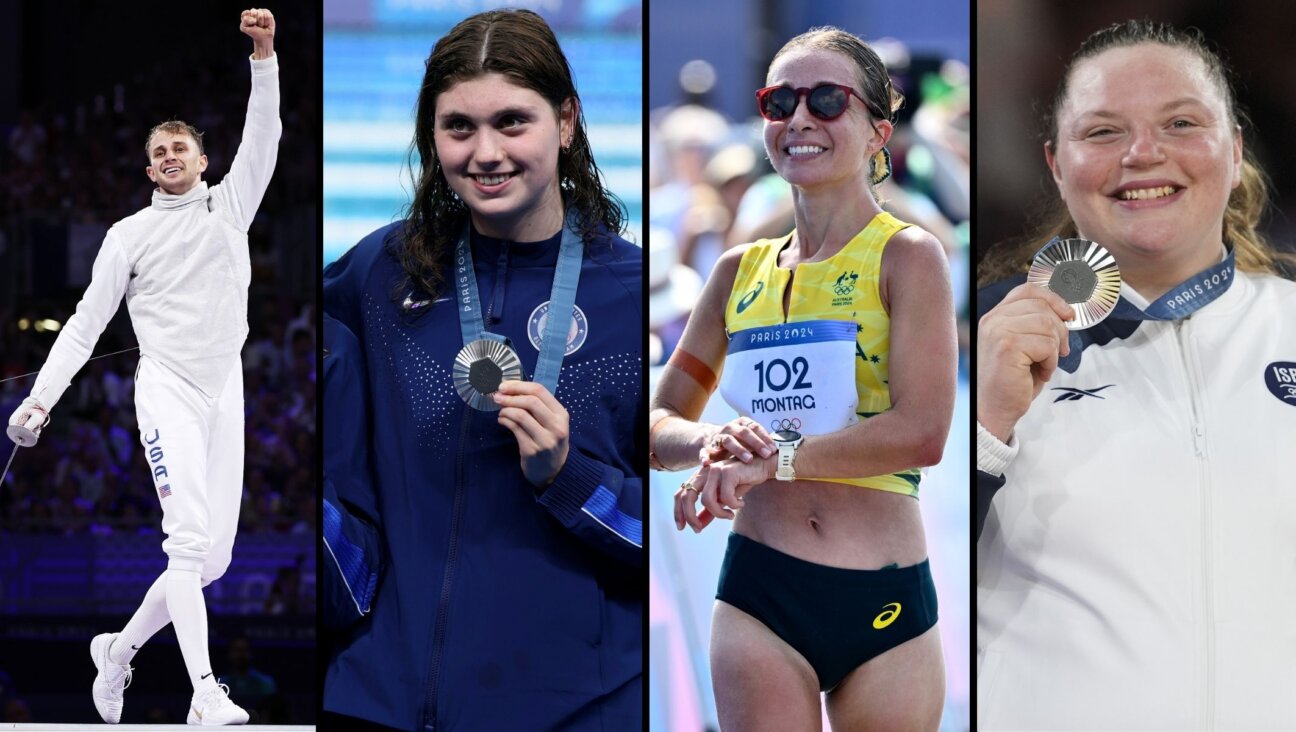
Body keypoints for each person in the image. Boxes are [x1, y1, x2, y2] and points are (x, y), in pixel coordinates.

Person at [322, 9, 643, 730]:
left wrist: (572, 478)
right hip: (378, 701)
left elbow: (674, 538)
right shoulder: (376, 274)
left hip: (575, 709)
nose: (485, 152)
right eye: (458, 127)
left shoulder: (635, 294)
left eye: (512, 122)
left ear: (566, 122)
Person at [975, 20, 1296, 730]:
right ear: (1057, 165)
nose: (1143, 154)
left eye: (1180, 122)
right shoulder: (980, 336)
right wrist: (984, 434)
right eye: (1103, 132)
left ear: (1235, 150)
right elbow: (904, 571)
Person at [649, 27, 957, 731]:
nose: (799, 120)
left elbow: (923, 434)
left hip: (886, 605)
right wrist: (710, 443)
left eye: (825, 100)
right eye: (779, 100)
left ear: (878, 130)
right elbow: (657, 421)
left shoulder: (909, 257)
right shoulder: (736, 271)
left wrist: (772, 461)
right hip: (763, 597)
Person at [5, 8, 281, 726]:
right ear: (147, 164)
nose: (168, 156)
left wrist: (263, 58)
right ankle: (205, 692)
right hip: (167, 391)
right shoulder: (127, 235)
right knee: (186, 543)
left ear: (201, 158)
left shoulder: (230, 207)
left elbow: (266, 138)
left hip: (227, 387)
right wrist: (40, 401)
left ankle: (118, 651)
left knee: (210, 562)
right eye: (158, 150)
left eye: (179, 147)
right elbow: (86, 325)